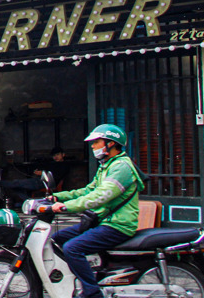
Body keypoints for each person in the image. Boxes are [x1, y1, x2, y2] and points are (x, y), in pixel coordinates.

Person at [50, 124, 143, 298]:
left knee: (72, 248)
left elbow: (100, 196)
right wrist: (58, 197)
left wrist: (67, 206)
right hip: (103, 222)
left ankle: (92, 292)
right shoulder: (107, 166)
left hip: (117, 225)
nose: (92, 146)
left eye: (96, 142)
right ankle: (82, 277)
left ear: (110, 143)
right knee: (58, 238)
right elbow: (88, 191)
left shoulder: (121, 167)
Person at [0, 147, 72, 207]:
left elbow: (55, 176)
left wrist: (42, 173)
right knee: (15, 185)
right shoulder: (52, 163)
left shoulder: (64, 165)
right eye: (54, 155)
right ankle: (29, 201)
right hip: (40, 181)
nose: (56, 157)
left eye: (57, 154)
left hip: (46, 183)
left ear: (63, 155)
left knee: (16, 183)